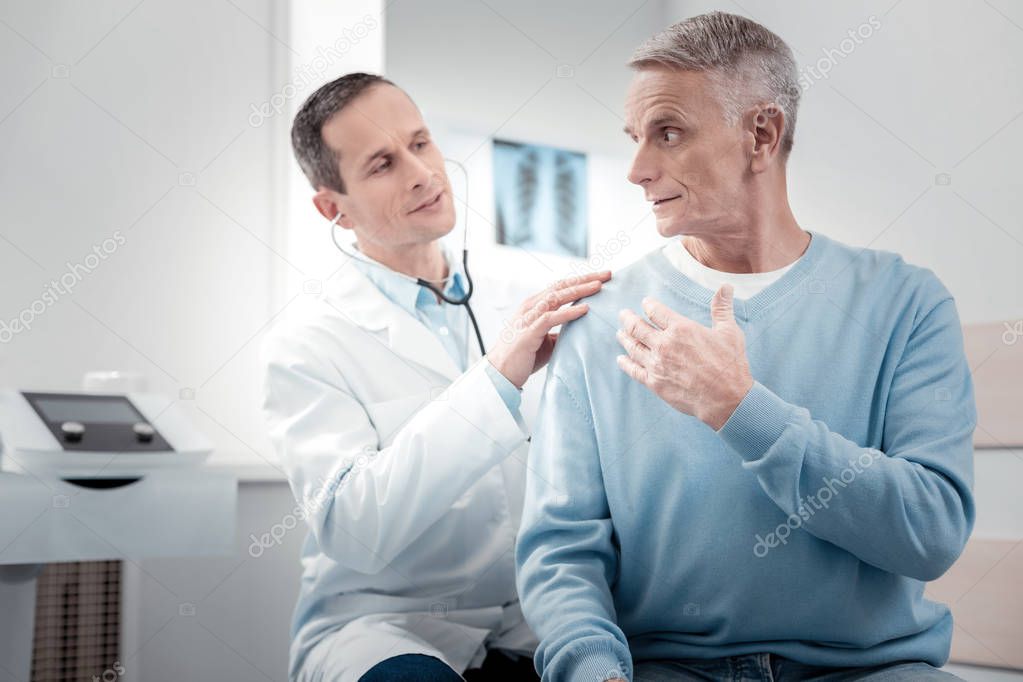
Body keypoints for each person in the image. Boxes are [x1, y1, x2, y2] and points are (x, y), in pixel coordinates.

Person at [515, 12, 975, 682]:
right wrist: (591, 667)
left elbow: (929, 533)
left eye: (667, 133)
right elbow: (561, 553)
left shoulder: (905, 303)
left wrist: (739, 408)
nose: (637, 169)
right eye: (634, 138)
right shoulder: (600, 317)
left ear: (760, 134)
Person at [260, 72, 609, 682]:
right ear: (332, 207)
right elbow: (354, 528)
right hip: (386, 626)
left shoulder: (517, 301)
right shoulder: (308, 342)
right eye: (382, 164)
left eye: (420, 143)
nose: (422, 173)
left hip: (533, 618)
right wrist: (496, 379)